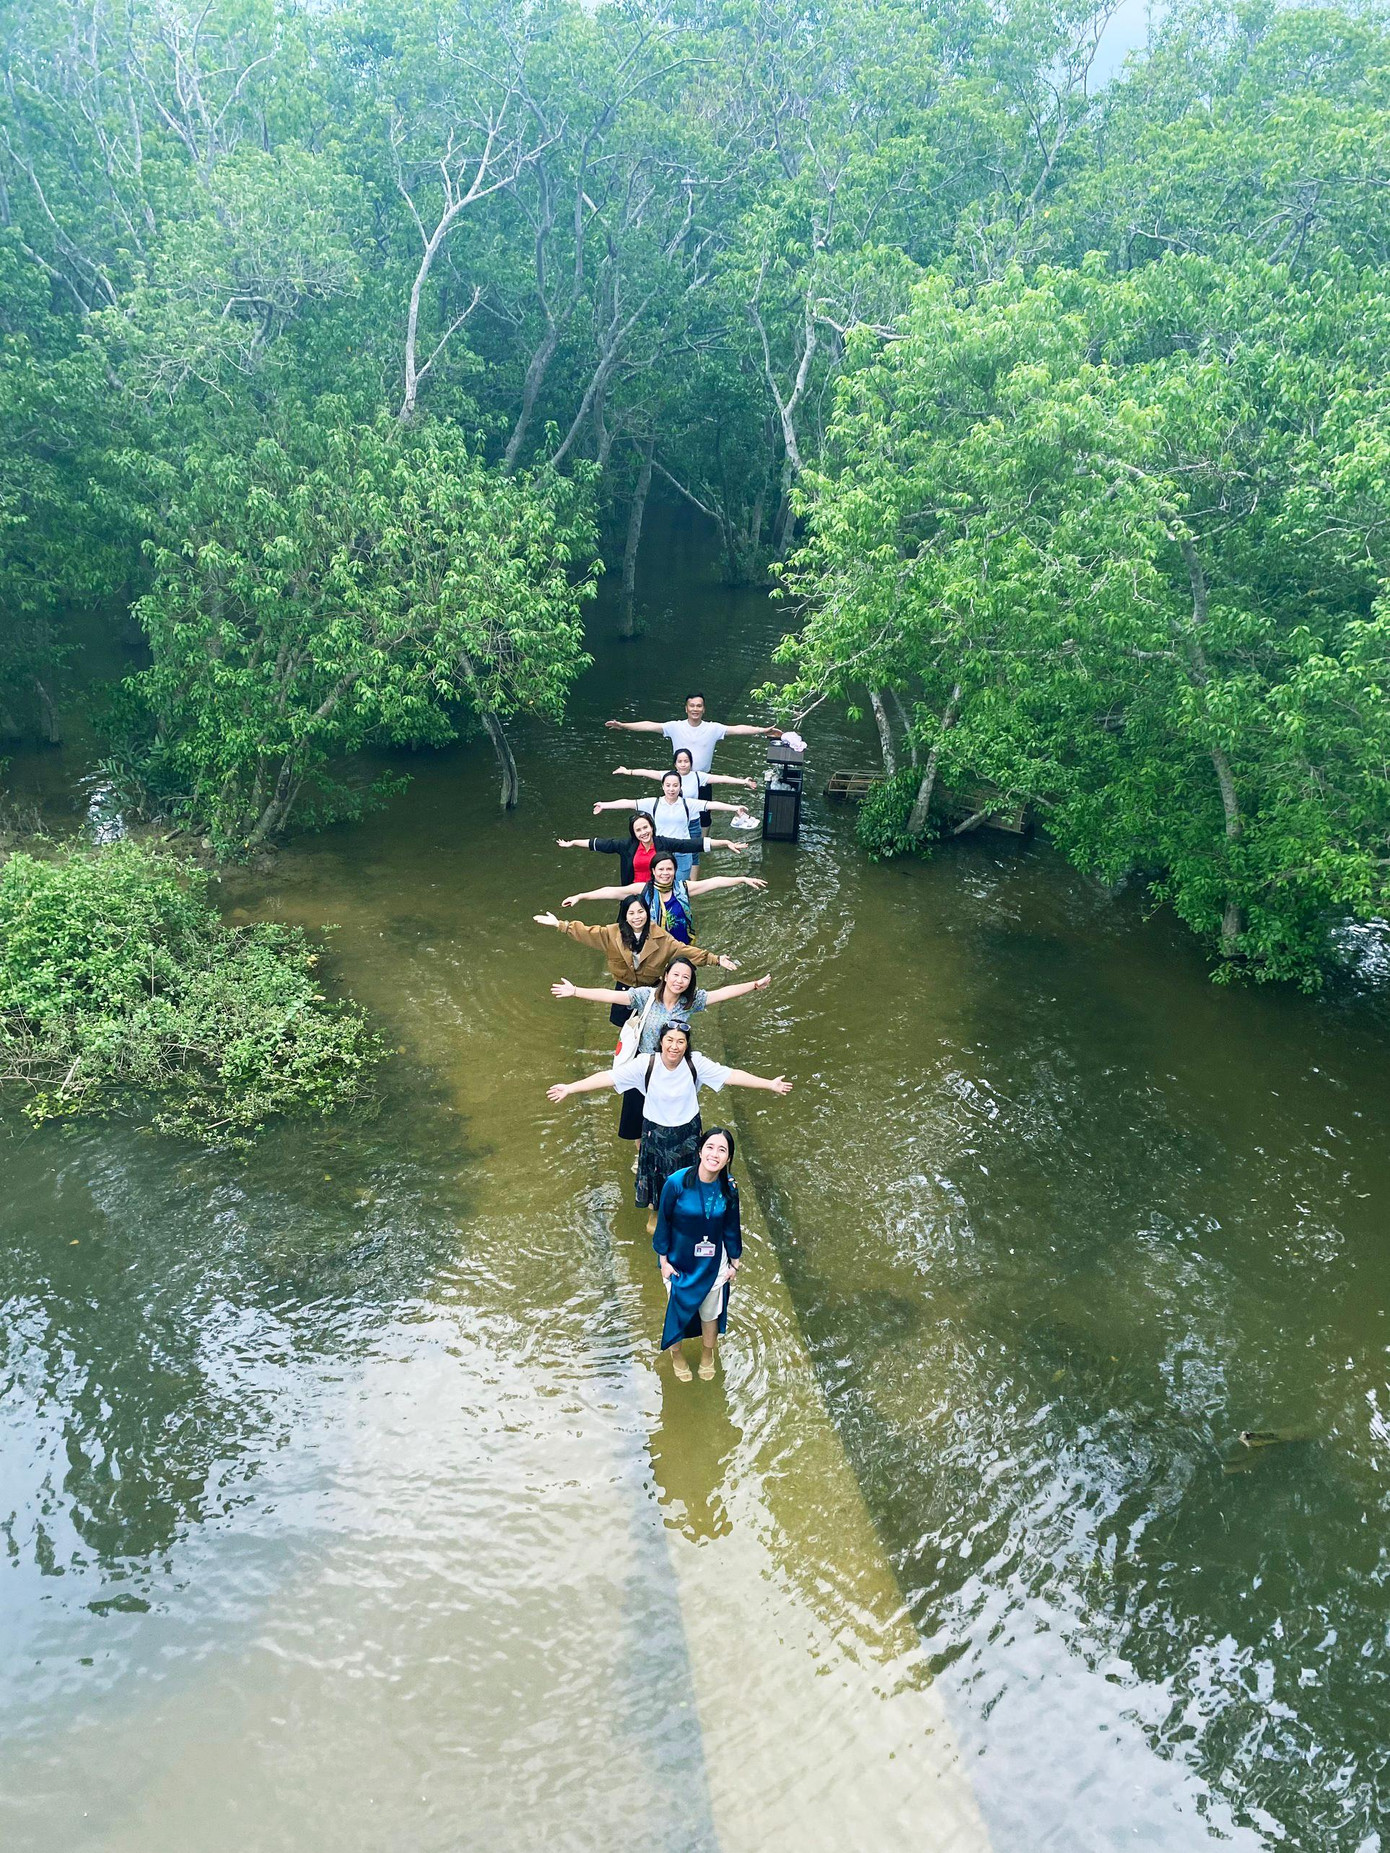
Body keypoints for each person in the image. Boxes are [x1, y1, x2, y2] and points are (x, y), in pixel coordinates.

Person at [546, 1022, 791, 1231]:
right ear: (661, 1042)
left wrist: (769, 1084)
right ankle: (656, 1210)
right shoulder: (646, 1064)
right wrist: (570, 1087)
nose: (674, 1046)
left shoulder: (695, 1063)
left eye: (681, 1041)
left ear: (687, 1045)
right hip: (656, 1132)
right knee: (655, 1174)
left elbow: (731, 1075)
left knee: (691, 1176)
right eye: (670, 1040)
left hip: (688, 1132)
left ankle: (689, 1211)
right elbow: (608, 1077)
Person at [550, 958, 772, 1142]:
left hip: (672, 1066)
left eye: (686, 977)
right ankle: (642, 1151)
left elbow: (722, 993)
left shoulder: (691, 1001)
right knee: (638, 1115)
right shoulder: (646, 996)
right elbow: (612, 996)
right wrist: (575, 991)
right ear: (666, 975)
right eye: (676, 975)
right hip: (645, 1065)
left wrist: (753, 985)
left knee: (668, 1110)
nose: (680, 981)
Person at [534, 897, 735, 1027]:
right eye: (631, 913)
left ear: (647, 913)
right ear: (625, 916)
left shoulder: (661, 937)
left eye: (640, 912)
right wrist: (560, 925)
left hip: (651, 990)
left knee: (652, 1026)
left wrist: (715, 959)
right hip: (625, 987)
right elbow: (586, 932)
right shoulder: (612, 934)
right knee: (625, 1028)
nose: (637, 917)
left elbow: (685, 950)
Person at [653, 1126, 745, 1381]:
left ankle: (707, 1354)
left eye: (722, 1150)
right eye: (710, 1147)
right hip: (679, 1262)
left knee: (710, 1312)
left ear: (728, 1158)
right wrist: (663, 1261)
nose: (714, 1154)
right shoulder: (676, 1182)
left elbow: (731, 1226)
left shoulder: (729, 1187)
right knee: (678, 1309)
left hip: (713, 1264)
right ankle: (676, 1354)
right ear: (700, 1150)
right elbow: (664, 1223)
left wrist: (735, 1263)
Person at [561, 851, 766, 946]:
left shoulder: (684, 888)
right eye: (661, 869)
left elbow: (715, 882)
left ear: (675, 871)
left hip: (680, 944)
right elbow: (612, 891)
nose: (665, 873)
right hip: (652, 944)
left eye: (670, 869)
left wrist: (742, 879)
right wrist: (581, 896)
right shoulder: (644, 890)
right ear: (653, 871)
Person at [611, 748, 757, 870]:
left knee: (693, 852)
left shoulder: (698, 777)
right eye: (679, 761)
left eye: (686, 761)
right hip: (669, 820)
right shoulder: (667, 776)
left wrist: (743, 782)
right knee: (666, 855)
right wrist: (628, 771)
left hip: (691, 822)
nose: (683, 764)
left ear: (691, 763)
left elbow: (721, 779)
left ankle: (690, 885)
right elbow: (646, 772)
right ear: (674, 764)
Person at [592, 770, 752, 879]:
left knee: (679, 886)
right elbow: (628, 803)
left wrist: (734, 808)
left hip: (682, 851)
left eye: (675, 785)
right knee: (660, 885)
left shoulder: (688, 804)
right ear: (662, 786)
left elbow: (712, 805)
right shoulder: (652, 803)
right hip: (660, 850)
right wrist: (605, 805)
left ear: (680, 787)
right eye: (668, 785)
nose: (671, 789)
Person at [555, 811, 747, 895]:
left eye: (646, 828)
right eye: (638, 830)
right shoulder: (626, 845)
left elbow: (691, 844)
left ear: (652, 827)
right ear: (634, 833)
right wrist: (573, 843)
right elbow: (599, 843)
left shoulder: (662, 842)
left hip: (660, 891)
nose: (643, 833)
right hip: (635, 892)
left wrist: (725, 843)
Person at [605, 692, 781, 777]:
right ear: (686, 708)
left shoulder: (713, 728)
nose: (695, 709)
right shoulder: (675, 727)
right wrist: (623, 725)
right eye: (692, 706)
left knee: (705, 817)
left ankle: (701, 848)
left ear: (703, 709)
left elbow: (738, 729)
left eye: (699, 706)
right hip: (680, 776)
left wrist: (762, 730)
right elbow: (649, 725)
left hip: (704, 777)